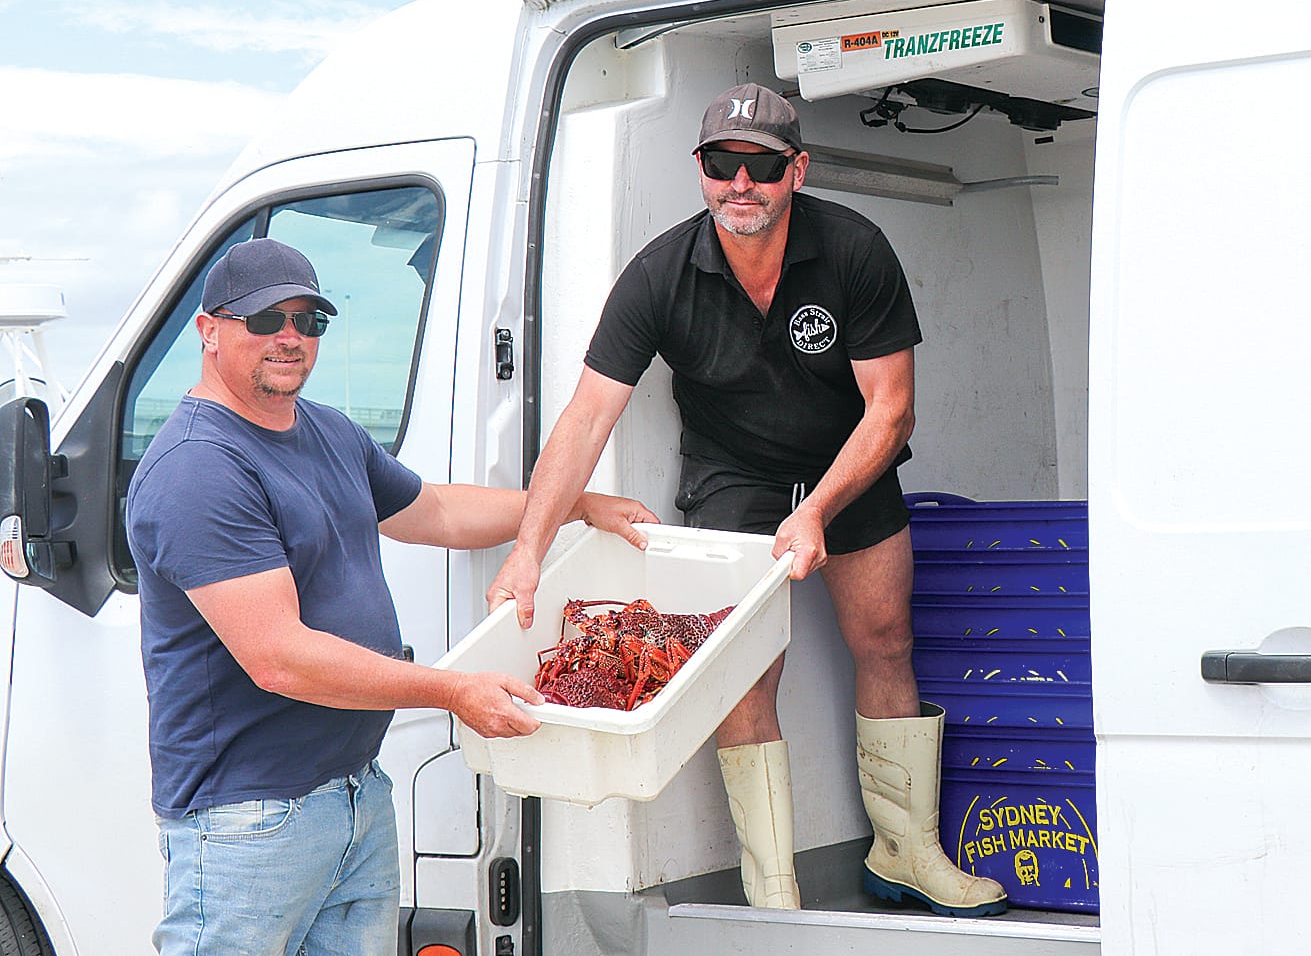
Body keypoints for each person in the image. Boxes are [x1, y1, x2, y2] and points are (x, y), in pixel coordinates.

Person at [487, 83, 1006, 917]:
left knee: (885, 640)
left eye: (760, 165)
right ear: (700, 169)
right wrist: (527, 547)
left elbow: (891, 408)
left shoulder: (854, 249)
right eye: (721, 162)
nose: (740, 182)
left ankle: (906, 851)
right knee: (740, 675)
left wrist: (819, 509)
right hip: (734, 479)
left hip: (851, 467)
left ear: (795, 169)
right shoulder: (660, 273)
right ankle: (773, 888)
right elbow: (585, 417)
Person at [125, 237, 646, 956]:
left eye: (308, 321)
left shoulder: (327, 432)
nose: (290, 336)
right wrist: (453, 690)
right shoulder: (197, 469)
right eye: (265, 318)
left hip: (356, 798)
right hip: (248, 820)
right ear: (208, 330)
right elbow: (279, 658)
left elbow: (435, 511)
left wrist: (573, 503)